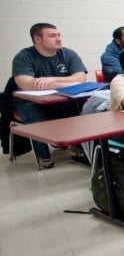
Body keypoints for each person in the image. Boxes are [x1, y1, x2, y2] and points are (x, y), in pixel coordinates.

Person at [12, 23, 88, 169]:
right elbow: (26, 83)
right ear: (38, 39)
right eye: (52, 36)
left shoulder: (68, 53)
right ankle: (43, 155)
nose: (58, 39)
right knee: (35, 115)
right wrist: (65, 82)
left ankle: (79, 148)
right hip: (31, 102)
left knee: (81, 109)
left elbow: (80, 78)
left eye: (59, 35)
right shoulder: (24, 57)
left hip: (62, 99)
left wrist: (51, 80)